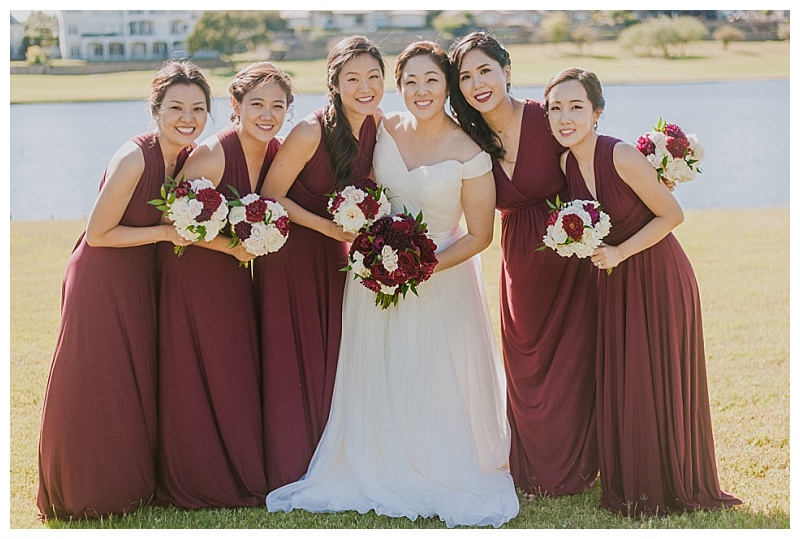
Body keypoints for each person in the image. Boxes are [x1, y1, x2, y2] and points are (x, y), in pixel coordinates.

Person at [267, 41, 519, 528]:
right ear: (397, 86)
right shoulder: (383, 127)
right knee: (377, 371)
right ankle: (376, 457)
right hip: (371, 278)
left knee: (429, 373)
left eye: (432, 81)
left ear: (448, 86)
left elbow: (481, 236)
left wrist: (419, 268)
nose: (420, 91)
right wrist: (380, 263)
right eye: (410, 82)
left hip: (438, 278)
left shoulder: (471, 150)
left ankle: (434, 461)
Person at [545, 67, 743, 517]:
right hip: (615, 280)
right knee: (628, 376)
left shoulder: (621, 156)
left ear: (597, 112)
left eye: (576, 106)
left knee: (660, 375)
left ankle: (674, 481)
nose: (564, 117)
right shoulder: (564, 164)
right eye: (556, 108)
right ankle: (635, 479)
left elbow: (672, 215)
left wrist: (619, 252)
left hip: (656, 271)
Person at [36, 59, 210, 520]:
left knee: (131, 380)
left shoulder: (188, 159)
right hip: (102, 277)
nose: (187, 118)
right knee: (97, 379)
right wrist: (166, 234)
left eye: (197, 108)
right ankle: (83, 490)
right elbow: (97, 233)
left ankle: (129, 481)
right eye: (175, 107)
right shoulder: (136, 157)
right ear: (156, 110)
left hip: (140, 278)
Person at [448, 31, 598, 497]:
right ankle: (533, 469)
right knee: (526, 366)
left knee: (578, 360)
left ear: (506, 71)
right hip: (519, 263)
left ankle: (582, 463)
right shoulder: (468, 137)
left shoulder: (547, 117)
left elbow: (593, 159)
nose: (477, 84)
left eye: (485, 70)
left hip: (571, 256)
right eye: (466, 77)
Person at [154, 62, 294, 509]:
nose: (267, 114)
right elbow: (172, 218)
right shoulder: (213, 154)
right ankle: (203, 476)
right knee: (204, 367)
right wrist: (232, 249)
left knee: (234, 367)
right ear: (236, 107)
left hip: (235, 273)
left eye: (278, 105)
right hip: (195, 272)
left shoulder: (276, 151)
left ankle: (243, 465)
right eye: (257, 104)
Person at [256, 36, 384, 492]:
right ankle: (289, 461)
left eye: (373, 76)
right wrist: (329, 228)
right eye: (352, 78)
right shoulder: (311, 130)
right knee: (295, 354)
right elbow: (272, 195)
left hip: (337, 258)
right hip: (293, 253)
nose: (364, 86)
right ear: (334, 83)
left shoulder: (377, 124)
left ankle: (327, 453)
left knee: (331, 355)